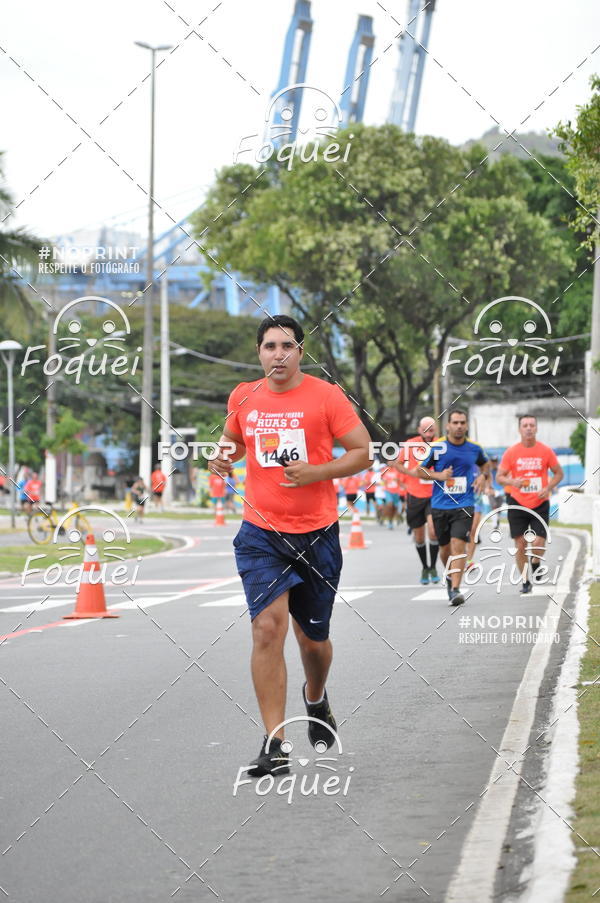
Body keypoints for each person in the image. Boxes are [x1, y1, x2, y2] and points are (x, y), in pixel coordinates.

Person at [210, 314, 371, 776]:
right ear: (258, 352)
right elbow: (234, 441)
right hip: (261, 534)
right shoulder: (244, 396)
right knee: (267, 629)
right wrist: (221, 459)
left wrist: (318, 472)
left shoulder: (325, 396)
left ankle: (315, 700)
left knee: (313, 640)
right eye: (268, 346)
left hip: (317, 532)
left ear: (300, 351)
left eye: (286, 346)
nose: (277, 354)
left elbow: (361, 450)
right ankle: (275, 743)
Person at [418, 410, 489, 606]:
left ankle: (455, 589)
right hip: (440, 505)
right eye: (455, 422)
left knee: (458, 545)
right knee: (444, 549)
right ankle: (450, 577)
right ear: (448, 426)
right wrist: (439, 476)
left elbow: (485, 465)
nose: (459, 426)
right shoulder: (438, 447)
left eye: (462, 422)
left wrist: (483, 476)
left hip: (464, 505)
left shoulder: (474, 448)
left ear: (466, 426)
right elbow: (420, 470)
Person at [496, 414, 564, 594]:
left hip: (540, 502)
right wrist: (513, 482)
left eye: (531, 425)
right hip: (517, 502)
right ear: (519, 429)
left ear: (536, 428)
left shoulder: (546, 451)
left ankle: (535, 561)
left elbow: (559, 473)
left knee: (538, 542)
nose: (528, 428)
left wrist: (548, 487)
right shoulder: (511, 452)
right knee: (520, 544)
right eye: (525, 425)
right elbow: (499, 477)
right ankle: (526, 581)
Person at [394, 416, 440, 585]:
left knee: (434, 531)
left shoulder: (441, 444)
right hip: (414, 494)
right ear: (420, 430)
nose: (429, 433)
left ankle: (433, 566)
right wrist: (412, 473)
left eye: (432, 429)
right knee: (419, 537)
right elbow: (397, 464)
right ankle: (425, 567)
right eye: (425, 429)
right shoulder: (410, 444)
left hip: (434, 495)